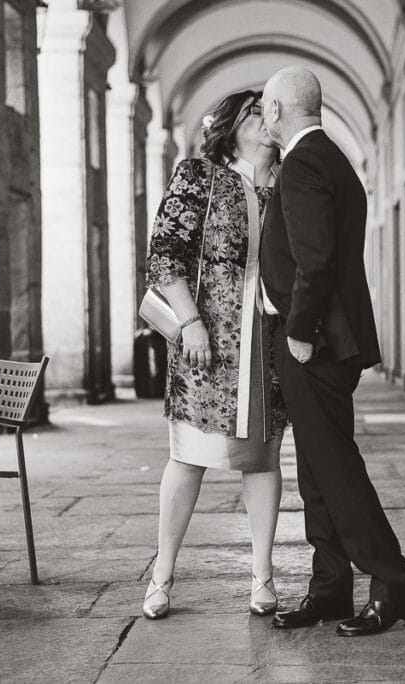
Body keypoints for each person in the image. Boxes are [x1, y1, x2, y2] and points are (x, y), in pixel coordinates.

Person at [259, 67, 405, 637]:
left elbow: (316, 259)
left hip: (315, 342)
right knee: (316, 471)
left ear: (277, 110)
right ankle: (329, 587)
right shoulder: (330, 158)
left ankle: (392, 583)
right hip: (328, 338)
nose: (263, 116)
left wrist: (300, 331)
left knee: (335, 468)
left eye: (265, 107)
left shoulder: (304, 162)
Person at [142, 90, 288, 620]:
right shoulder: (198, 177)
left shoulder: (289, 184)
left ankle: (263, 576)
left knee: (263, 457)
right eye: (255, 111)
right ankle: (162, 575)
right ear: (231, 125)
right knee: (188, 455)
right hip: (205, 343)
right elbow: (165, 255)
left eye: (270, 110)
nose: (266, 118)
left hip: (268, 344)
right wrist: (190, 322)